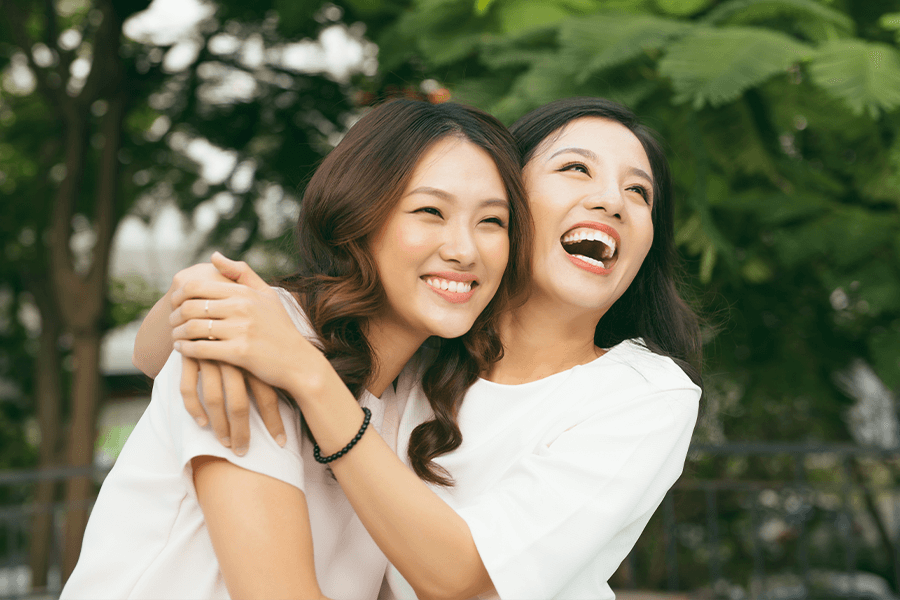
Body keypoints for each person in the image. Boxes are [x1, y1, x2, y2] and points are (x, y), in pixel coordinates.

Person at [137, 97, 702, 599]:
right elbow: (152, 358)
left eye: (639, 191)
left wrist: (305, 374)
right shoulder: (413, 360)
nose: (611, 200)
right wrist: (195, 297)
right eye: (576, 168)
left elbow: (459, 578)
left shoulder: (643, 394)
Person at [60, 99, 532, 600]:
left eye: (492, 222)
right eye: (430, 211)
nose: (464, 249)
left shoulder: (424, 394)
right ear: (359, 218)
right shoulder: (253, 339)